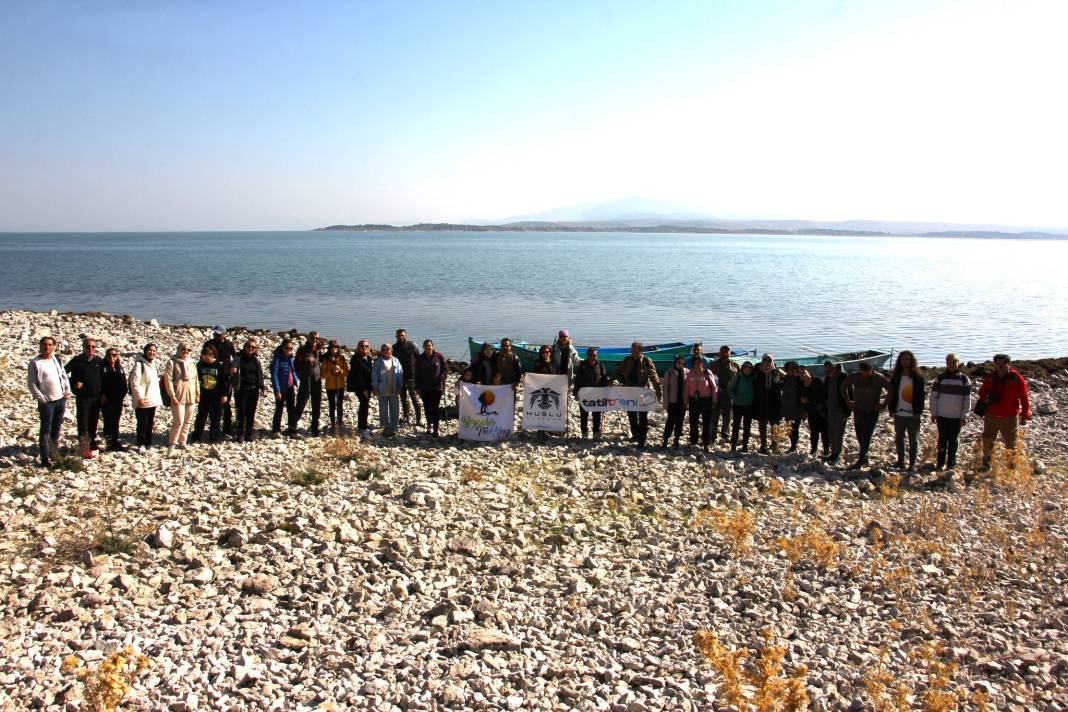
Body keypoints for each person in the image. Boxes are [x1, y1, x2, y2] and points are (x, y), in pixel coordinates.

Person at [977, 353, 1031, 470]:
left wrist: (1024, 414)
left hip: (1009, 417)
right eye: (998, 363)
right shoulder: (991, 377)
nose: (1000, 366)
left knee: (1011, 443)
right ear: (995, 364)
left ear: (1008, 364)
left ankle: (1011, 467)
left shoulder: (1017, 378)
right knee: (987, 441)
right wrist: (985, 399)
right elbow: (982, 391)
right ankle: (986, 465)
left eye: (1003, 363)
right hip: (991, 415)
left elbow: (1024, 397)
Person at [27, 336, 72, 467]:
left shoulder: (55, 359)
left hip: (60, 400)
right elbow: (32, 384)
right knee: (46, 429)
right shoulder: (35, 363)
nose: (47, 347)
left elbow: (63, 376)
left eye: (49, 344)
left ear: (53, 346)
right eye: (44, 344)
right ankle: (45, 457)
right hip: (47, 403)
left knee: (56, 428)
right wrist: (42, 399)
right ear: (40, 346)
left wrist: (67, 390)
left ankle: (54, 451)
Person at [612, 342, 662, 448]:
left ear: (640, 351)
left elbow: (654, 377)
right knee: (631, 414)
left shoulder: (647, 361)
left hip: (643, 392)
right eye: (632, 350)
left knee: (643, 416)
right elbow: (618, 371)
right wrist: (610, 381)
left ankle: (642, 439)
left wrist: (658, 392)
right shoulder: (627, 360)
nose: (632, 352)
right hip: (629, 391)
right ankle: (635, 434)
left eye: (634, 350)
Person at [929, 353, 971, 471]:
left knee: (953, 440)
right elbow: (934, 397)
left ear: (958, 363)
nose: (952, 364)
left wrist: (964, 415)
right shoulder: (940, 378)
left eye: (954, 362)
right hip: (942, 415)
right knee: (942, 439)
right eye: (950, 362)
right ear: (946, 363)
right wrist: (934, 413)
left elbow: (967, 399)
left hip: (956, 416)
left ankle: (951, 463)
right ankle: (940, 462)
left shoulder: (964, 379)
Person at [65, 336, 104, 459]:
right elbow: (62, 373)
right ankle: (84, 448)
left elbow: (104, 377)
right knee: (83, 423)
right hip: (83, 398)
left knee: (94, 422)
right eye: (88, 346)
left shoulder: (99, 361)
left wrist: (104, 394)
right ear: (83, 348)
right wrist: (73, 382)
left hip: (96, 398)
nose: (90, 349)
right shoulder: (77, 360)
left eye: (93, 347)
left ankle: (92, 444)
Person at [845, 362, 889, 470]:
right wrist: (849, 401)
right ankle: (864, 457)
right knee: (859, 434)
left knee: (866, 435)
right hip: (858, 410)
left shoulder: (879, 378)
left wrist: (883, 405)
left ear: (871, 370)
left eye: (865, 373)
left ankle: (861, 459)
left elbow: (891, 390)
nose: (863, 376)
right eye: (861, 373)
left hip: (871, 412)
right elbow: (843, 386)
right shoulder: (855, 376)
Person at [887, 350, 926, 473]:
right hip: (899, 413)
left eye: (908, 359)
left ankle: (912, 464)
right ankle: (900, 461)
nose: (906, 361)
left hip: (912, 414)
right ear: (900, 361)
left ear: (912, 361)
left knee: (913, 440)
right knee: (899, 438)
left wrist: (918, 412)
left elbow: (921, 396)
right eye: (903, 359)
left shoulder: (918, 377)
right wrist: (891, 409)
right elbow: (892, 394)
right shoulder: (896, 376)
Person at [164, 342, 199, 449]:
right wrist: (172, 396)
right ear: (179, 349)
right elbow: (168, 380)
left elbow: (196, 379)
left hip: (191, 395)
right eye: (184, 349)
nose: (186, 351)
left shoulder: (192, 363)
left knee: (187, 421)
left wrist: (198, 393)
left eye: (188, 350)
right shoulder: (172, 362)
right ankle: (172, 442)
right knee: (178, 420)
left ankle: (182, 441)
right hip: (178, 395)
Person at [128, 343, 163, 452]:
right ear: (145, 351)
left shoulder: (153, 364)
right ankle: (141, 444)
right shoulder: (139, 365)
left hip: (152, 399)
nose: (151, 352)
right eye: (149, 350)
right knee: (142, 423)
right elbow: (134, 382)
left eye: (154, 351)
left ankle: (148, 443)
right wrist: (139, 397)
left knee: (150, 422)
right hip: (143, 399)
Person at [203, 326, 237, 437]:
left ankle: (227, 428)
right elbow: (202, 358)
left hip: (226, 377)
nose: (216, 336)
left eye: (219, 334)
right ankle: (214, 429)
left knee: (226, 403)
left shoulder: (229, 344)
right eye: (215, 334)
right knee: (213, 406)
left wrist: (234, 367)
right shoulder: (209, 344)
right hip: (212, 377)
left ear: (224, 334)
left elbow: (235, 357)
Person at [190, 344, 227, 444]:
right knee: (201, 416)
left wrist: (224, 395)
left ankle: (214, 438)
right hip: (204, 394)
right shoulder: (200, 365)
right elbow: (196, 379)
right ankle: (196, 437)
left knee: (216, 417)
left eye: (207, 359)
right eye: (203, 358)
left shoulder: (219, 365)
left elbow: (224, 381)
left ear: (212, 356)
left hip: (216, 395)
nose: (206, 361)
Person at [232, 338, 265, 442]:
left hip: (254, 388)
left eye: (253, 347)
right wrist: (233, 371)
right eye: (249, 346)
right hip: (242, 389)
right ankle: (240, 434)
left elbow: (259, 372)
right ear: (245, 347)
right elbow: (232, 370)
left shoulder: (256, 358)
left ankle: (249, 434)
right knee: (241, 412)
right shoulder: (238, 357)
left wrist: (261, 385)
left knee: (251, 412)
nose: (251, 348)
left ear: (255, 349)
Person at [415, 339, 448, 436]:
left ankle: (436, 429)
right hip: (424, 387)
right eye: (426, 346)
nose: (428, 347)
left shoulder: (439, 356)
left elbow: (445, 369)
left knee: (435, 408)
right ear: (423, 347)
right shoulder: (420, 358)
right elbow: (416, 373)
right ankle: (429, 425)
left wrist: (443, 376)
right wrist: (417, 387)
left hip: (437, 387)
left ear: (432, 346)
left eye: (429, 345)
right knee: (427, 407)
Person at [574, 346, 607, 439]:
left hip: (597, 395)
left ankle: (596, 432)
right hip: (585, 394)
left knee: (597, 414)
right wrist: (576, 393)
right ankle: (584, 432)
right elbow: (578, 380)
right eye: (591, 355)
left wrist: (606, 391)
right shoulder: (582, 365)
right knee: (584, 414)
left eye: (595, 355)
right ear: (587, 355)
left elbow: (604, 378)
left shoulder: (600, 365)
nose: (593, 357)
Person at [752, 353, 783, 454]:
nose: (767, 362)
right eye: (765, 360)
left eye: (769, 360)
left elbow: (783, 383)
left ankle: (775, 445)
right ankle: (763, 445)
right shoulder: (757, 371)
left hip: (774, 403)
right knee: (762, 425)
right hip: (761, 402)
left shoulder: (776, 372)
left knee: (775, 425)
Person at [294, 331, 323, 436]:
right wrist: (305, 363)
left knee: (316, 405)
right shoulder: (302, 350)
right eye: (313, 338)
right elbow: (296, 365)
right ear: (308, 338)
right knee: (301, 403)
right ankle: (292, 425)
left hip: (317, 380)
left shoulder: (319, 350)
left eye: (317, 338)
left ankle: (315, 427)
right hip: (306, 380)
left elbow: (322, 363)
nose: (315, 340)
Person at [686, 357, 718, 451]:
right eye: (696, 363)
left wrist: (714, 400)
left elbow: (714, 387)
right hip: (693, 400)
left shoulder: (707, 372)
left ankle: (706, 441)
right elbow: (686, 389)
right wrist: (685, 401)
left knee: (706, 421)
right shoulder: (689, 373)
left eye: (700, 362)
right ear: (693, 364)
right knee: (693, 421)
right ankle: (693, 440)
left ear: (703, 363)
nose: (698, 364)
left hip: (706, 400)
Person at [372, 343, 404, 435]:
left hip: (394, 389)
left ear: (391, 350)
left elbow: (400, 374)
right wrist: (375, 388)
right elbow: (374, 376)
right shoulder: (378, 361)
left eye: (388, 349)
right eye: (384, 349)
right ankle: (384, 426)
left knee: (395, 408)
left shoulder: (396, 360)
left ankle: (395, 427)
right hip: (382, 389)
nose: (386, 351)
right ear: (381, 351)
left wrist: (399, 386)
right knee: (383, 409)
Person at [270, 339, 300, 437]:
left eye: (291, 348)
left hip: (290, 387)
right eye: (287, 348)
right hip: (281, 388)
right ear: (282, 348)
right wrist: (277, 390)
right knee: (279, 409)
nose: (289, 350)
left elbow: (292, 370)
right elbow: (274, 375)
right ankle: (276, 430)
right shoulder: (277, 358)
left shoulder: (290, 358)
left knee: (291, 409)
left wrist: (296, 380)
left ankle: (292, 430)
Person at [823, 362, 851, 465]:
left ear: (834, 368)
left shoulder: (842, 377)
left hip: (840, 410)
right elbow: (825, 393)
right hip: (830, 409)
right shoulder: (828, 378)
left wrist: (848, 408)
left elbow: (849, 392)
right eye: (826, 370)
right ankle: (833, 451)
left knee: (838, 432)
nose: (827, 372)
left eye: (829, 370)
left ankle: (836, 453)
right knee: (831, 431)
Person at [100, 347, 127, 451]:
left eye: (114, 355)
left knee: (116, 421)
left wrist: (123, 393)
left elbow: (124, 382)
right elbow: (100, 383)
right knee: (108, 421)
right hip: (107, 399)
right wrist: (102, 394)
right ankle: (109, 442)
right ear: (106, 356)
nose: (112, 357)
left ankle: (115, 441)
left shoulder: (119, 368)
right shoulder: (103, 368)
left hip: (118, 399)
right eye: (109, 355)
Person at [393, 329, 422, 427]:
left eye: (402, 335)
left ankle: (419, 419)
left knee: (415, 398)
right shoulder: (394, 348)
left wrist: (419, 374)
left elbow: (418, 359)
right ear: (396, 336)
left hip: (411, 376)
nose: (401, 337)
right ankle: (406, 417)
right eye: (399, 335)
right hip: (399, 376)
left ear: (406, 336)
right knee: (403, 398)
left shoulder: (412, 345)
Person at [347, 339, 375, 438]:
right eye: (362, 346)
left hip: (368, 386)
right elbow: (357, 376)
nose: (364, 348)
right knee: (364, 404)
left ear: (369, 348)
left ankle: (362, 426)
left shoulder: (369, 358)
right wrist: (364, 390)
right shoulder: (355, 359)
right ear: (358, 348)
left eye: (366, 346)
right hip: (360, 386)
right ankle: (363, 427)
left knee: (365, 405)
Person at [711, 346, 739, 443]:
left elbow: (739, 379)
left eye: (727, 351)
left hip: (728, 394)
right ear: (720, 352)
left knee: (727, 415)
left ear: (730, 353)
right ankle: (712, 435)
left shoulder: (735, 365)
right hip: (716, 393)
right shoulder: (713, 364)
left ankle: (725, 434)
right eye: (723, 351)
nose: (725, 353)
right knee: (714, 415)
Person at [660, 355, 689, 449]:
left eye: (682, 363)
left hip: (682, 401)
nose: (680, 365)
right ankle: (665, 439)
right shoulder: (669, 373)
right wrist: (665, 403)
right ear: (675, 363)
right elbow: (665, 389)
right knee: (670, 421)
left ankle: (676, 439)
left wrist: (687, 402)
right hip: (672, 401)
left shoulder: (687, 372)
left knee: (680, 421)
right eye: (679, 363)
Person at [321, 339, 349, 433]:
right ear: (329, 348)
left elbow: (346, 372)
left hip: (340, 385)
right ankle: (333, 423)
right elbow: (322, 375)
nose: (334, 349)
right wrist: (332, 372)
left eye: (336, 347)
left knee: (339, 404)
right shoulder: (325, 359)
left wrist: (340, 370)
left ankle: (340, 422)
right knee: (332, 405)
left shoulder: (341, 358)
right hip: (330, 386)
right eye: (332, 347)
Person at [799, 368, 827, 457]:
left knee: (824, 431)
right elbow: (801, 397)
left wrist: (822, 406)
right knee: (814, 431)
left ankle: (826, 450)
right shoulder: (802, 385)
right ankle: (814, 449)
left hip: (820, 409)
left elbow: (824, 394)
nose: (802, 374)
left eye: (803, 372)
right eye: (800, 373)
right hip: (811, 410)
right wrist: (803, 401)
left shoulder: (816, 380)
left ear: (808, 371)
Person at [729, 361, 755, 452]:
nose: (747, 369)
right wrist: (735, 397)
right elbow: (730, 389)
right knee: (736, 425)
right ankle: (733, 443)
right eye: (745, 367)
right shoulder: (738, 377)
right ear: (742, 368)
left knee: (747, 426)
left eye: (749, 368)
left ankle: (745, 444)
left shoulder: (753, 378)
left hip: (749, 405)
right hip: (738, 405)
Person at [779, 361, 804, 453]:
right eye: (789, 368)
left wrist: (804, 410)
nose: (791, 370)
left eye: (793, 368)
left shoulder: (799, 379)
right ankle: (792, 445)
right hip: (786, 407)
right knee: (788, 427)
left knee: (795, 428)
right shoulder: (785, 378)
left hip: (797, 407)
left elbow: (803, 393)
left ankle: (793, 447)